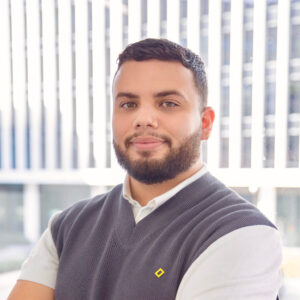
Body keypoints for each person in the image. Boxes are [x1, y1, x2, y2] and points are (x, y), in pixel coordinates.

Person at [8, 38, 282, 300]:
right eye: (128, 104)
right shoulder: (67, 227)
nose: (143, 119)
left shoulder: (243, 233)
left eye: (168, 104)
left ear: (205, 123)